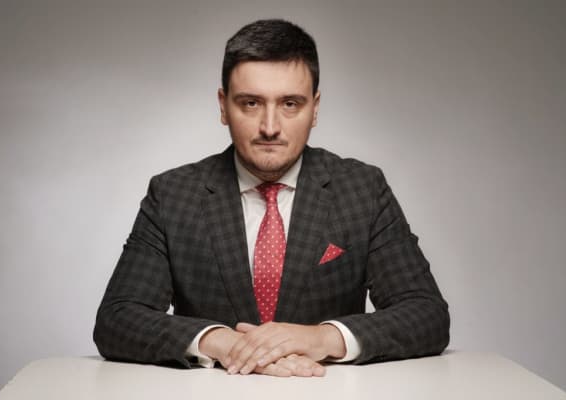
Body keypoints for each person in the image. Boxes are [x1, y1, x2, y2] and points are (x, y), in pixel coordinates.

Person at [94, 19, 449, 378]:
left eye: (290, 104)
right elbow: (117, 318)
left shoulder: (363, 190)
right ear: (223, 106)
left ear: (315, 108)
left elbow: (427, 313)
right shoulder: (172, 195)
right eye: (250, 103)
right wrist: (221, 343)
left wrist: (321, 338)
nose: (270, 127)